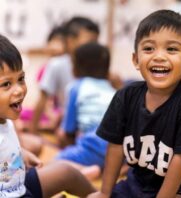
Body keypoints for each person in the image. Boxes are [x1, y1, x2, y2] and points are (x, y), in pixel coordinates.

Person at [88, 10, 181, 198]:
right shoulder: (125, 96)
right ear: (136, 59)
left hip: (179, 188)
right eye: (149, 49)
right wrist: (104, 192)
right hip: (137, 183)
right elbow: (115, 146)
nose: (159, 56)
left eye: (172, 49)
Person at [0, 34, 96, 197]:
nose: (19, 90)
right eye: (6, 84)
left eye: (21, 79)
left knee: (65, 172)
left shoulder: (5, 119)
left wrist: (22, 153)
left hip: (18, 184)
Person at [55, 42, 117, 180]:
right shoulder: (113, 90)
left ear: (77, 67)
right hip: (119, 152)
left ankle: (84, 170)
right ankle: (108, 169)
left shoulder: (76, 87)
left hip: (92, 145)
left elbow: (68, 130)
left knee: (56, 162)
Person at [29, 16, 100, 134]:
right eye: (90, 42)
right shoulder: (56, 65)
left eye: (96, 42)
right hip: (69, 126)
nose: (94, 48)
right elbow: (42, 100)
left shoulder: (97, 66)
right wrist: (33, 132)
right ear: (70, 41)